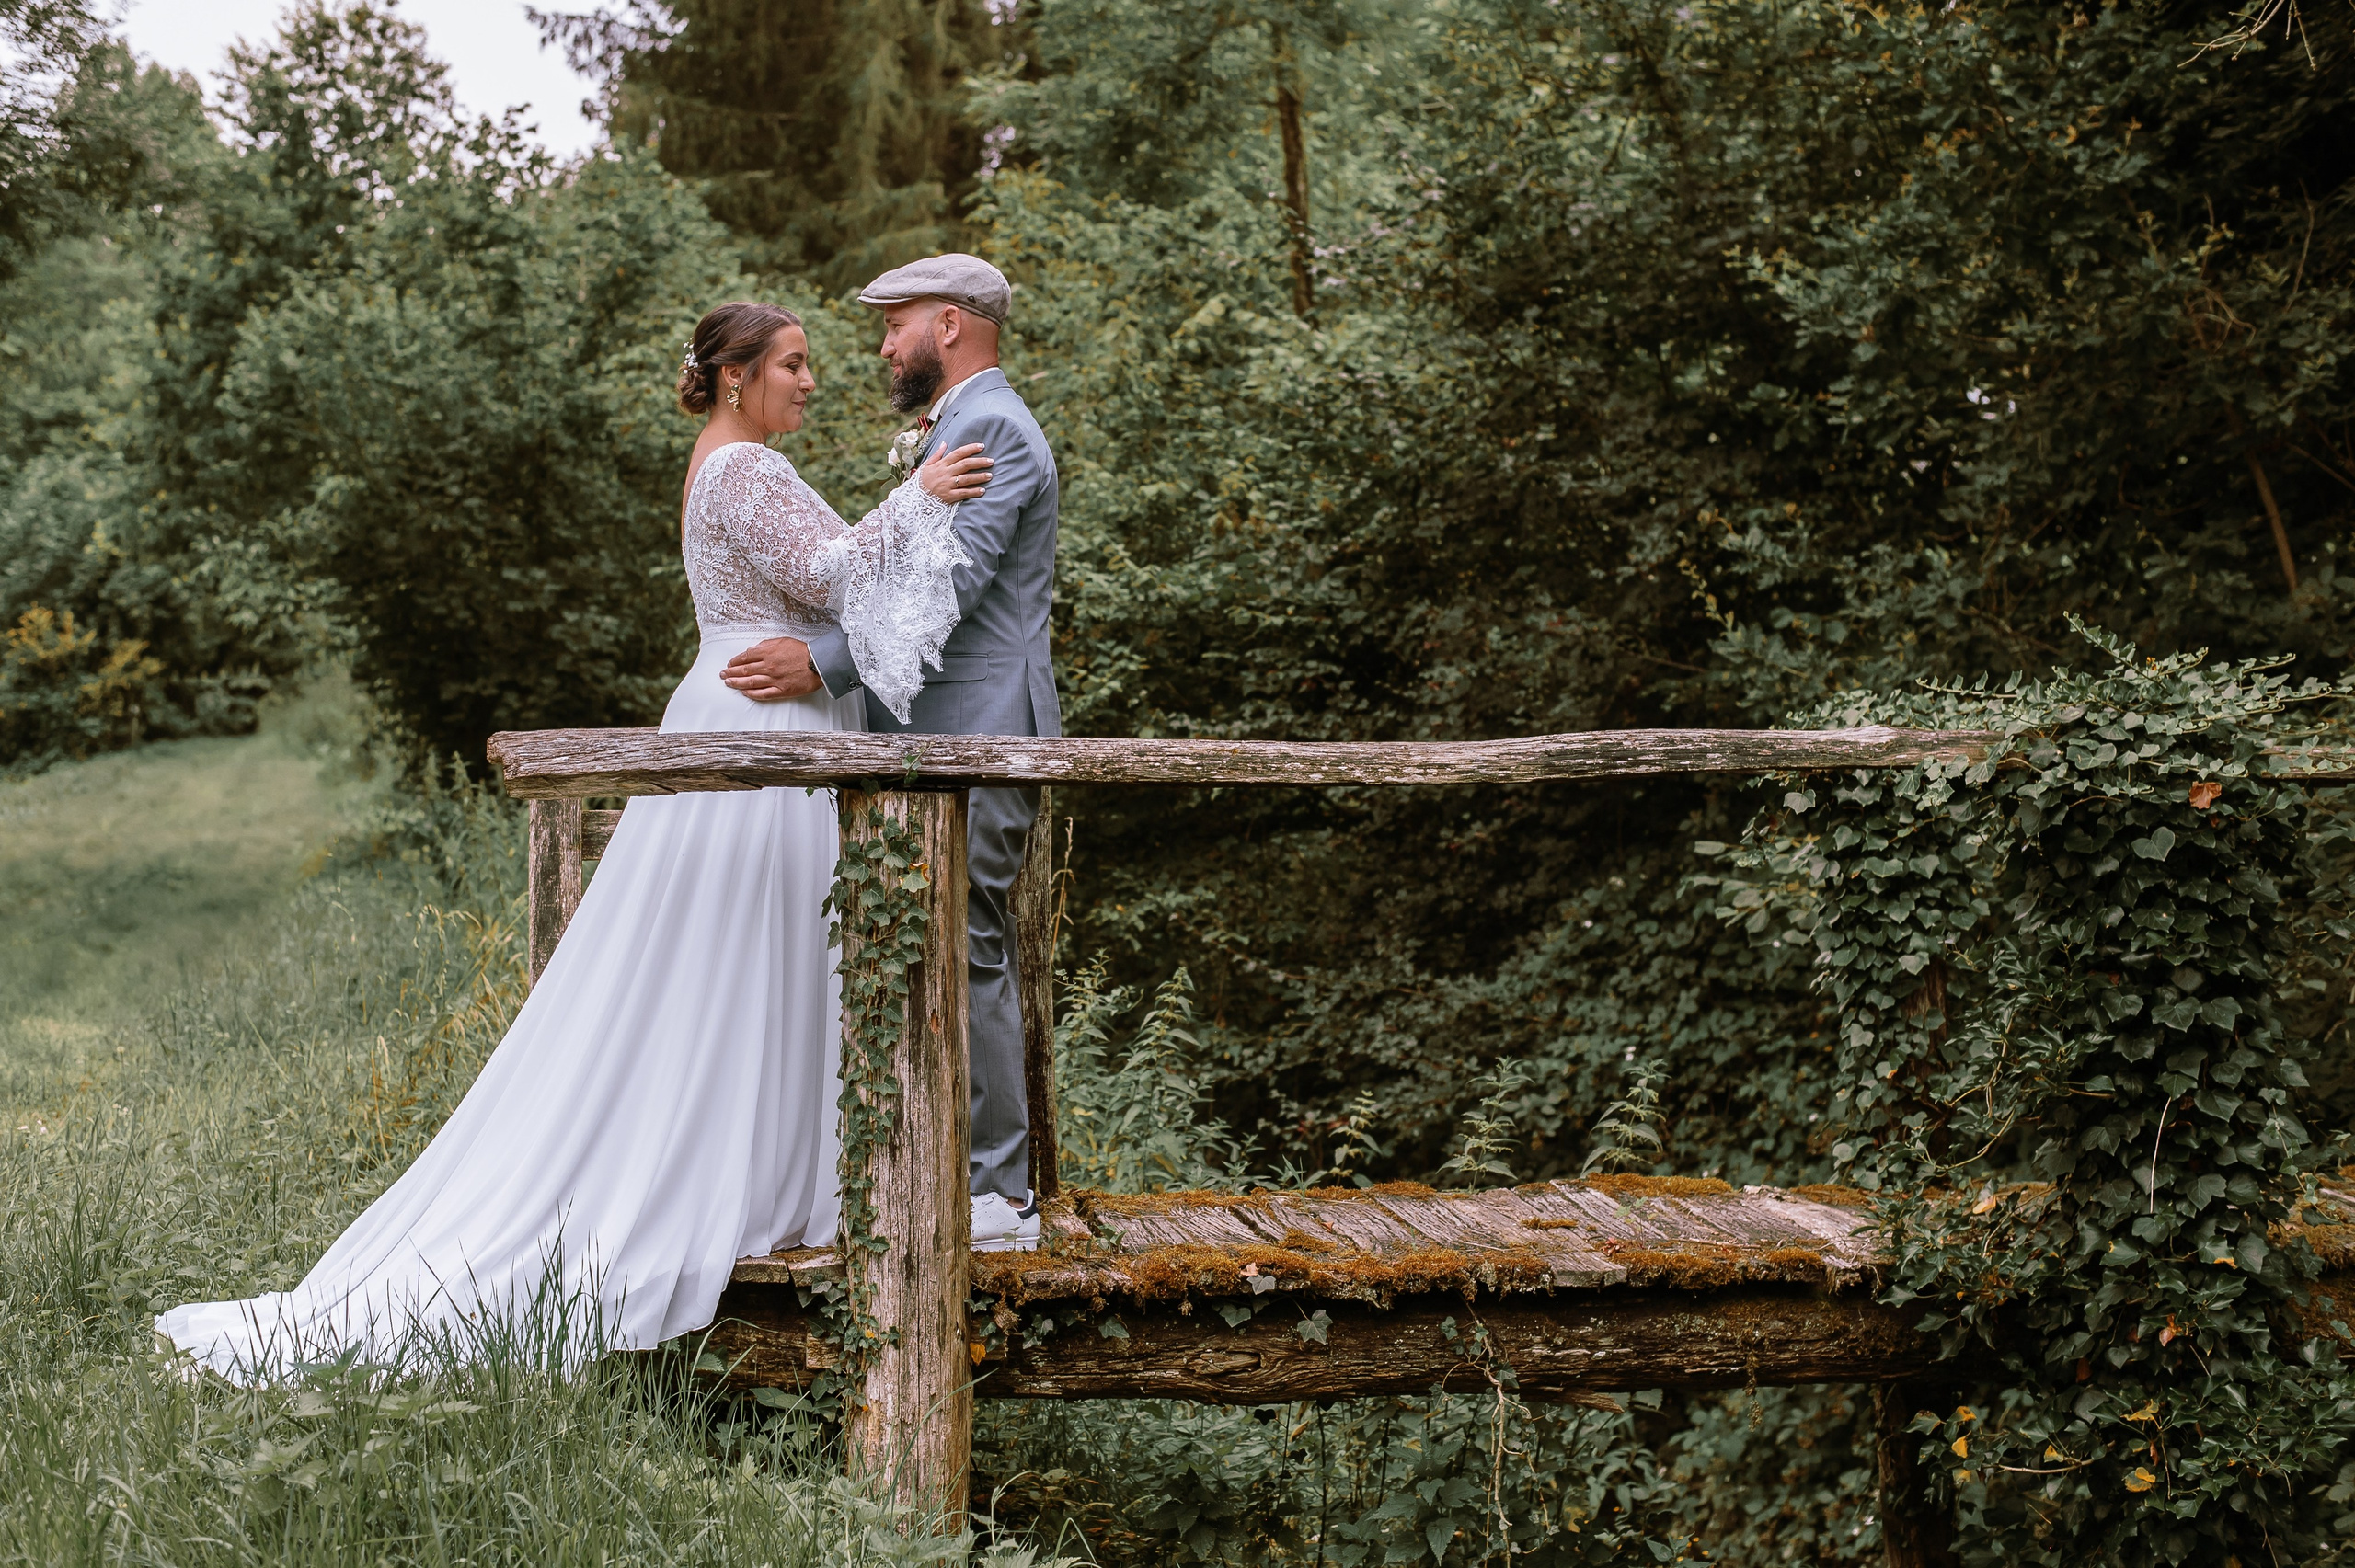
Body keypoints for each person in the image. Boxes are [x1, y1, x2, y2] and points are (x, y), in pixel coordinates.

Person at [155, 301, 992, 1380]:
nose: (811, 380)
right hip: (759, 728)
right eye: (792, 364)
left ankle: (769, 1167)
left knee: (748, 957)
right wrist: (916, 496)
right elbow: (836, 576)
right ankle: (720, 1175)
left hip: (760, 709)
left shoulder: (730, 461)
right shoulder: (742, 470)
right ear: (735, 377)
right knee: (735, 957)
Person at [718, 255, 1058, 1253]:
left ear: (948, 324)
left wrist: (818, 664)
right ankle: (933, 1167)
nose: (882, 346)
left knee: (969, 945)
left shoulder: (993, 427)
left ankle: (1000, 1195)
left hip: (979, 729)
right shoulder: (955, 427)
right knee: (932, 948)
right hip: (926, 735)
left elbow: (944, 591)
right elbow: (900, 563)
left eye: (895, 324)